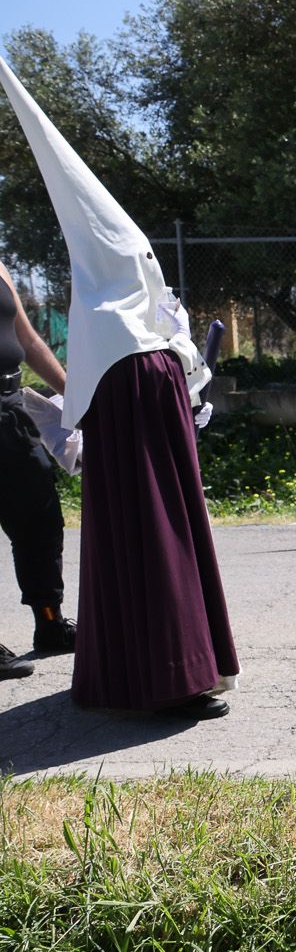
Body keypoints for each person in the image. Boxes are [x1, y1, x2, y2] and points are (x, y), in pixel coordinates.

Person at [1, 52, 237, 718]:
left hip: (44, 401)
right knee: (152, 536)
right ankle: (168, 671)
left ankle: (127, 655)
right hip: (128, 406)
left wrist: (189, 373)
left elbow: (161, 323)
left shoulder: (118, 310)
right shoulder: (111, 323)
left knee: (77, 528)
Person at [0, 259, 75, 679]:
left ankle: (50, 624)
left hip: (10, 406)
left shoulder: (1, 267)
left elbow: (27, 340)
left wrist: (74, 396)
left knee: (40, 519)